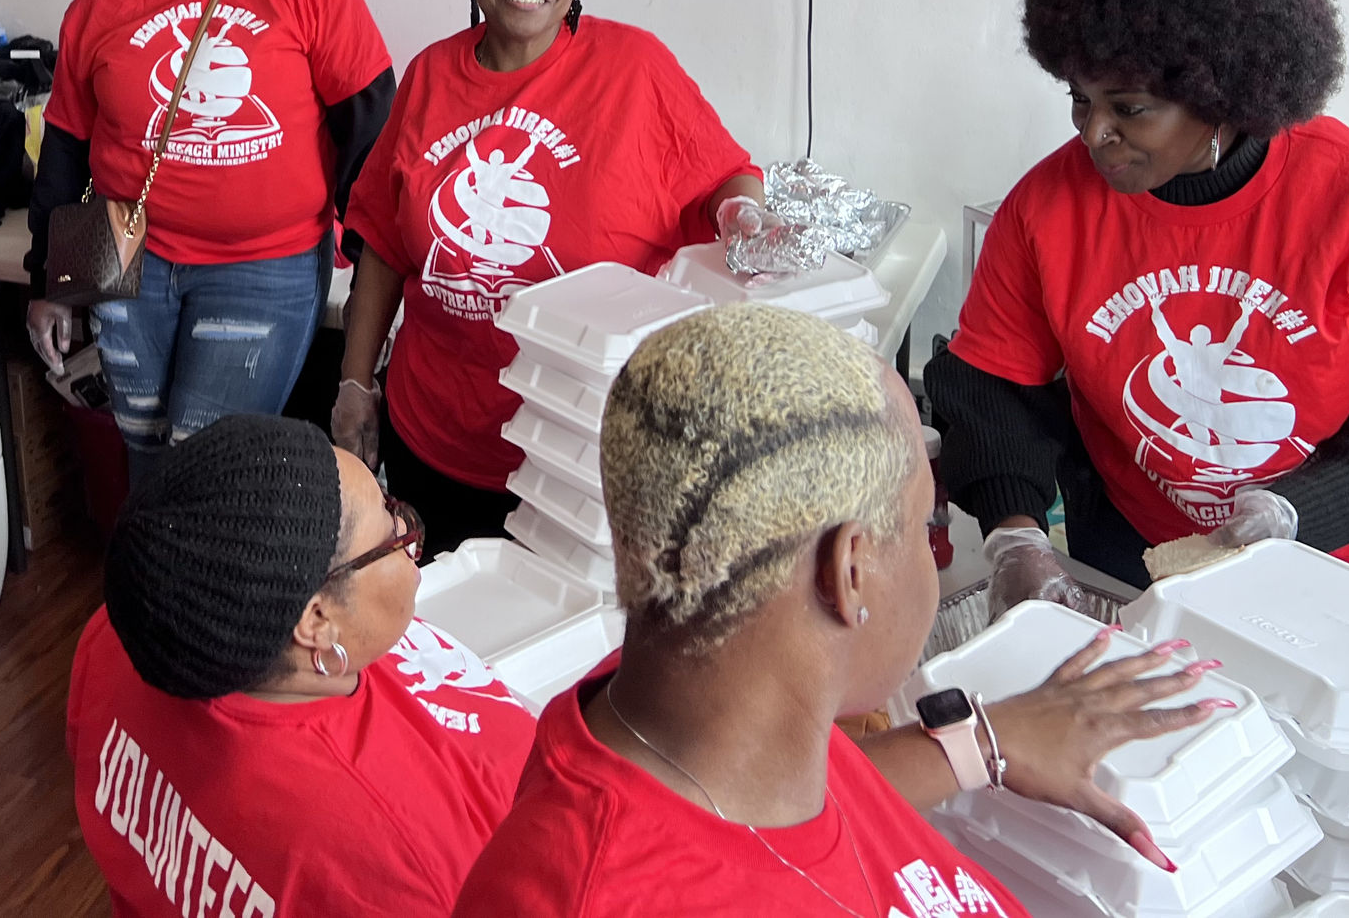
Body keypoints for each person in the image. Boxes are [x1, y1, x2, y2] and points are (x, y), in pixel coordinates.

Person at [454, 302, 1243, 914]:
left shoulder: (683, 691)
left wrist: (985, 745)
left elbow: (777, 817)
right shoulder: (594, 888)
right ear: (851, 570)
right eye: (929, 517)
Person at [928, 0, 1349, 610]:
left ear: (1222, 93)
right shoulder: (1044, 210)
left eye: (1128, 107)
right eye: (1079, 99)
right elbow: (995, 390)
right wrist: (1014, 535)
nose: (1094, 132)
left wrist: (1299, 510)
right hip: (1140, 552)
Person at [336, 0, 764, 554]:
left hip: (585, 450)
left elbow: (726, 176)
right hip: (438, 435)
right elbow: (385, 243)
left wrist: (744, 220)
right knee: (451, 640)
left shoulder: (634, 68)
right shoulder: (428, 75)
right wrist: (356, 382)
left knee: (581, 651)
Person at [27, 0, 393, 487]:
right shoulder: (102, 1)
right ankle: (150, 593)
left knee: (207, 465)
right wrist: (55, 280)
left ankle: (193, 592)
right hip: (121, 244)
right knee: (140, 452)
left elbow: (371, 124)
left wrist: (364, 255)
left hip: (264, 262)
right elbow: (71, 150)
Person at [69, 415, 535, 916]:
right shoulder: (397, 862)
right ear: (317, 620)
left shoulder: (115, 638)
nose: (405, 529)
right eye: (390, 526)